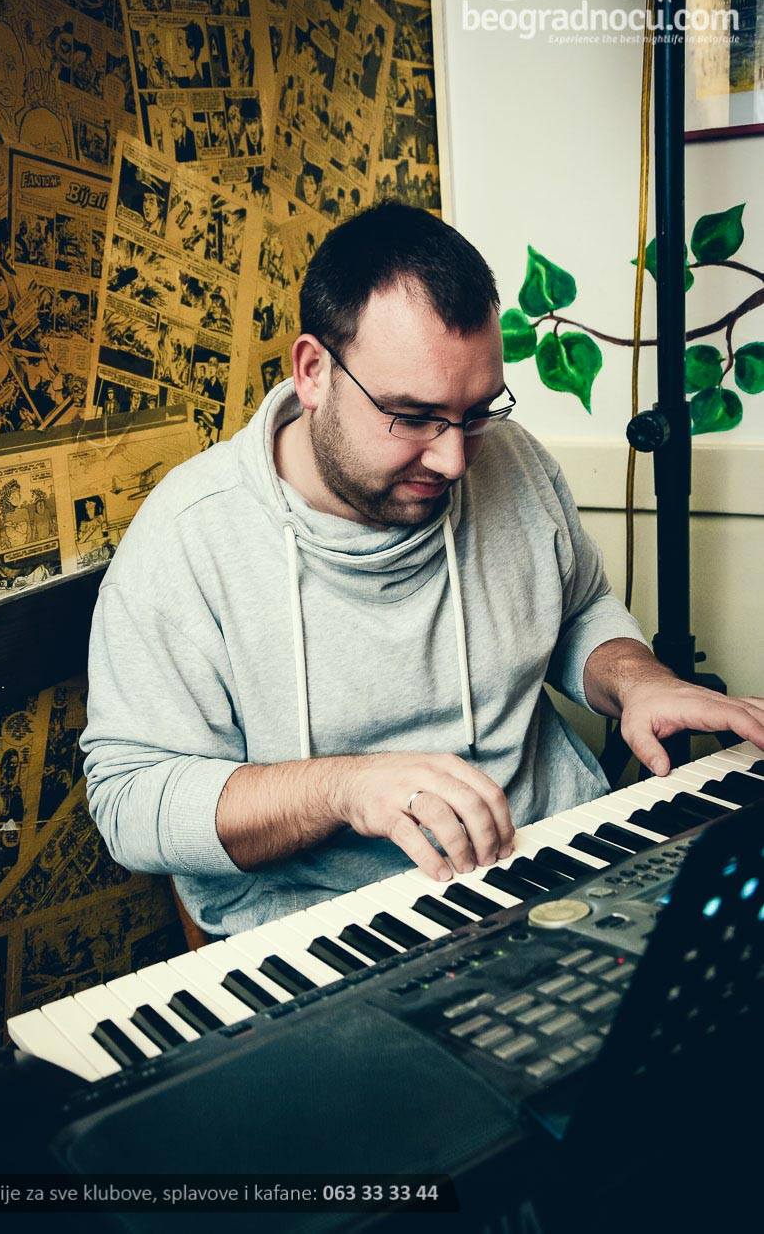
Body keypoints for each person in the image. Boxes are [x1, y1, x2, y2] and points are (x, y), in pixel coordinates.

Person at [81, 202, 764, 939]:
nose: (453, 458)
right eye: (412, 417)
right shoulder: (188, 539)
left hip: (559, 864)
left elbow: (577, 609)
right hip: (331, 933)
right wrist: (344, 789)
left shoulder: (511, 459)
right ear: (313, 372)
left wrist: (638, 679)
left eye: (476, 412)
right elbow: (130, 802)